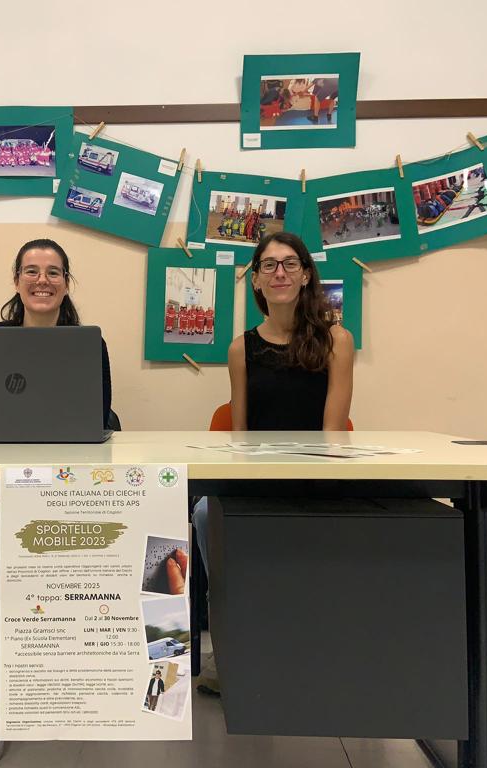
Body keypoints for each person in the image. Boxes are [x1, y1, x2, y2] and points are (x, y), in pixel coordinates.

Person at [0, 239, 112, 768]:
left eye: (53, 272)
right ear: (16, 280)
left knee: (1, 533)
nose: (42, 280)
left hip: (54, 482)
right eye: (31, 271)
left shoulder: (87, 345)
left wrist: (23, 483)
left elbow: (94, 423)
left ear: (66, 283)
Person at [191, 232, 355, 694]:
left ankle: (313, 645)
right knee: (203, 513)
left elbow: (333, 432)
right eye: (268, 265)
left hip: (315, 476)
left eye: (289, 263)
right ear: (257, 281)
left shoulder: (337, 340)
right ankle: (230, 643)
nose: (279, 272)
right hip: (256, 477)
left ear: (305, 275)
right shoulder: (241, 348)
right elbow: (240, 433)